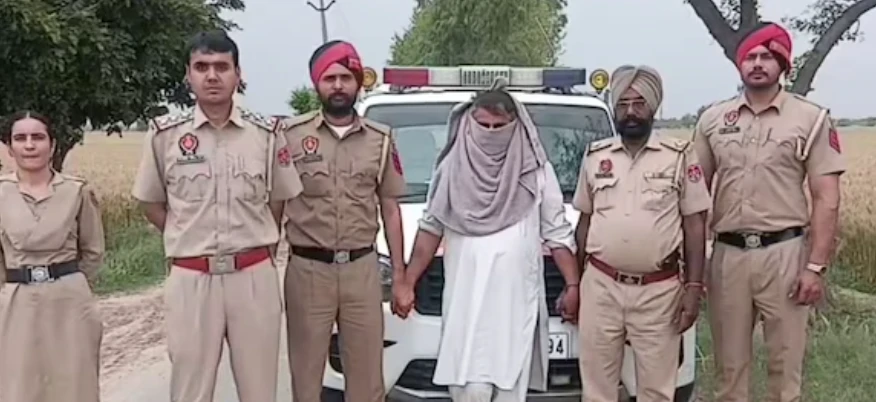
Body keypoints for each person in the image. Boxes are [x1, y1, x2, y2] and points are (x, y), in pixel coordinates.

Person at [131, 31, 303, 402]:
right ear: (188, 75)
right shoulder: (164, 135)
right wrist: (184, 233)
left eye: (222, 67)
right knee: (190, 389)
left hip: (253, 275)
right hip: (192, 278)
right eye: (202, 67)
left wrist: (259, 242)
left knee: (259, 390)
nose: (212, 76)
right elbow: (151, 202)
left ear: (238, 74)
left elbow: (278, 200)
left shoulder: (266, 134)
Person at [392, 80, 580, 402]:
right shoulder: (450, 168)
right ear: (469, 123)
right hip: (466, 305)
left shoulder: (535, 171)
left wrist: (573, 285)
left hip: (514, 307)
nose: (491, 133)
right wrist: (407, 282)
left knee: (509, 389)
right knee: (470, 390)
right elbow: (430, 229)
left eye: (499, 126)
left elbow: (557, 232)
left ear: (514, 126)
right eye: (483, 125)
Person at [693, 22, 845, 402]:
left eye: (767, 56)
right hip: (728, 255)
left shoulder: (811, 119)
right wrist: (694, 264)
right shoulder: (713, 120)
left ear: (783, 64)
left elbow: (826, 197)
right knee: (729, 373)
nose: (757, 64)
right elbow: (694, 197)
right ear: (739, 64)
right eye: (750, 57)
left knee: (784, 370)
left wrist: (815, 267)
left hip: (785, 256)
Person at [572, 65, 710, 402]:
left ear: (653, 107)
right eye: (622, 104)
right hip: (601, 287)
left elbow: (695, 226)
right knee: (597, 389)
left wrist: (694, 288)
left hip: (658, 291)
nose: (631, 112)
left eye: (639, 103)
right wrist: (577, 283)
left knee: (656, 390)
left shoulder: (679, 156)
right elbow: (584, 223)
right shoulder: (596, 156)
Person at [280, 40, 406, 402]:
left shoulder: (380, 140)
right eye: (330, 78)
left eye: (346, 78)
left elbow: (391, 209)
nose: (338, 86)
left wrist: (400, 277)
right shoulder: (290, 136)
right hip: (307, 271)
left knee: (367, 380)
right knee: (306, 378)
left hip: (361, 270)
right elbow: (275, 204)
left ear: (357, 83)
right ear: (317, 84)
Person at [0, 111, 105, 402]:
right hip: (17, 300)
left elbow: (93, 250)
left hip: (69, 300)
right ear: (9, 147)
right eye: (20, 138)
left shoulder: (76, 191)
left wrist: (72, 286)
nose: (29, 145)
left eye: (38, 137)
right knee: (19, 385)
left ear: (52, 144)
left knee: (74, 384)